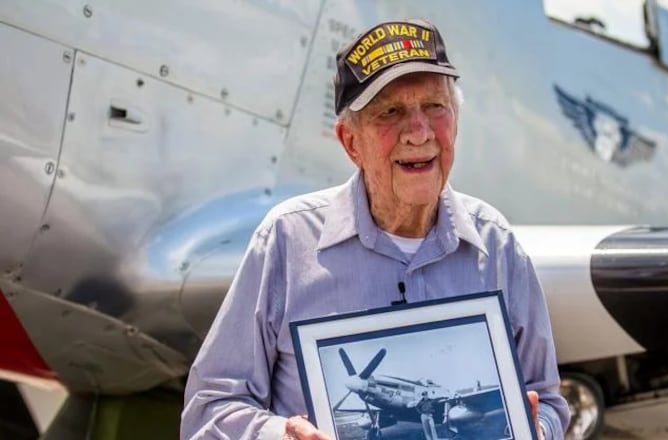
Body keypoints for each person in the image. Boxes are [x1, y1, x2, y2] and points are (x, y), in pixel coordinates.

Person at [181, 18, 570, 440]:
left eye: (435, 107)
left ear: (454, 122)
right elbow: (208, 412)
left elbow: (546, 400)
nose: (419, 132)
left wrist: (536, 429)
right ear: (351, 142)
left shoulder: (498, 245)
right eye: (391, 112)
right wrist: (281, 437)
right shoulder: (286, 240)